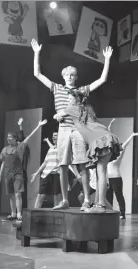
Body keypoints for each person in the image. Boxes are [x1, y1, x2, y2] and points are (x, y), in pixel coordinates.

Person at [31, 38, 113, 210]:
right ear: (63, 76)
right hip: (63, 129)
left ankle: (85, 201)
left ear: (76, 77)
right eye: (67, 75)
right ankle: (65, 200)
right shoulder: (57, 88)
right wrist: (37, 53)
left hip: (77, 129)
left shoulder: (81, 90)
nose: (69, 77)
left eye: (72, 75)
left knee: (81, 164)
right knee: (62, 164)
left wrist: (107, 60)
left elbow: (102, 80)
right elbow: (37, 74)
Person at [55, 89, 122, 213]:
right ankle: (98, 204)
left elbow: (58, 115)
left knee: (101, 171)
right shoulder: (87, 109)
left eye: (70, 99)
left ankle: (101, 205)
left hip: (99, 139)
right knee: (100, 171)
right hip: (105, 136)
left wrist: (59, 116)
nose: (68, 101)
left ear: (77, 100)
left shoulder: (72, 108)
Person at [0, 120, 47, 221]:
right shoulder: (5, 149)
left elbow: (29, 137)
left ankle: (19, 214)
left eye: (10, 137)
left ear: (15, 139)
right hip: (7, 174)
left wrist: (38, 126)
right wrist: (0, 175)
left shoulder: (19, 146)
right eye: (7, 137)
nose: (8, 139)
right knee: (10, 195)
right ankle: (13, 214)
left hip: (18, 174)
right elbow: (3, 163)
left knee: (18, 194)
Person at [107, 118, 138, 219]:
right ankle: (109, 212)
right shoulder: (107, 154)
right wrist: (110, 125)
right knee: (109, 197)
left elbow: (125, 145)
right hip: (108, 179)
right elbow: (108, 136)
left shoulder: (119, 154)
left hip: (116, 178)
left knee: (119, 196)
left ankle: (122, 213)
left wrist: (131, 136)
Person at [30, 132, 62, 208]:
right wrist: (36, 173)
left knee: (57, 195)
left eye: (56, 135)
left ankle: (56, 215)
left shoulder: (62, 148)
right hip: (46, 174)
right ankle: (35, 213)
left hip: (56, 173)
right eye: (53, 135)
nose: (54, 137)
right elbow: (45, 162)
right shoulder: (50, 149)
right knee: (40, 194)